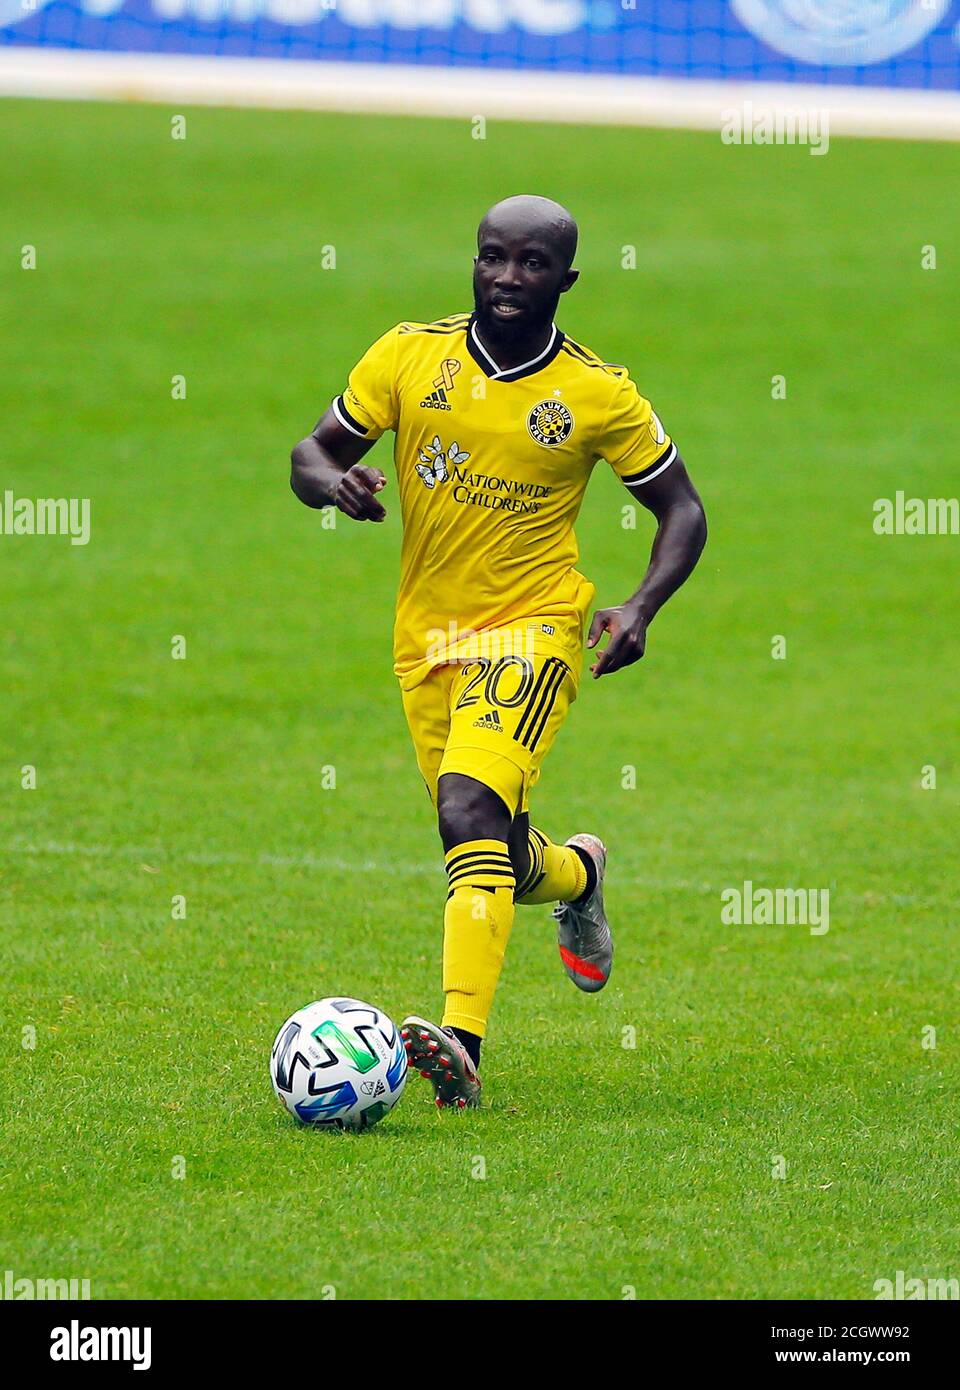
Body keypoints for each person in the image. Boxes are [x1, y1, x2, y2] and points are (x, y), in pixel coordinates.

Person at [290, 194, 707, 1109]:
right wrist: (334, 486)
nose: (507, 279)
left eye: (529, 263)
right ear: (473, 262)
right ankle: (580, 874)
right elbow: (310, 452)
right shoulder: (408, 354)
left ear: (566, 279)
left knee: (465, 812)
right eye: (491, 258)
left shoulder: (598, 393)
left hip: (534, 629)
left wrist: (640, 605)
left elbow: (683, 508)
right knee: (493, 845)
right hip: (426, 642)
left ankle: (461, 1045)